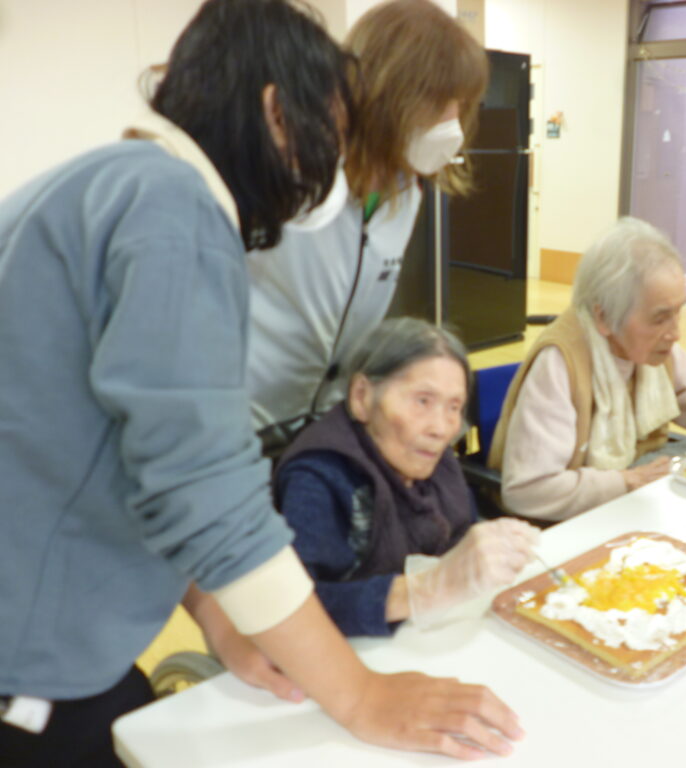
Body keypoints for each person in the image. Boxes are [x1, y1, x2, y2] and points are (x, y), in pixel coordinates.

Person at [0, 2, 521, 765]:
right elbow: (200, 485)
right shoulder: (174, 210)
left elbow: (145, 456)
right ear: (279, 113)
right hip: (32, 645)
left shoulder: (110, 184)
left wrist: (217, 612)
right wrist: (360, 695)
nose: (331, 166)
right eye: (330, 134)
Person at [247, 0, 488, 454]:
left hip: (325, 424)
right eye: (439, 101)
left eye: (460, 103)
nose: (452, 120)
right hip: (243, 423)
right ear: (388, 92)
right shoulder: (289, 176)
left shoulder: (407, 193)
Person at [488, 217, 686, 522]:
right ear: (604, 318)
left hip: (622, 508)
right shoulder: (560, 365)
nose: (675, 333)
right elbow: (528, 490)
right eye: (660, 318)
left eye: (678, 312)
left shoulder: (658, 352)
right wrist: (627, 482)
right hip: (561, 526)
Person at [274, 318, 540, 635]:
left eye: (454, 407)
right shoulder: (319, 477)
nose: (441, 428)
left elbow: (461, 533)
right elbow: (293, 611)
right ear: (361, 396)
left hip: (430, 634)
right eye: (422, 401)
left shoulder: (431, 455)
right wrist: (425, 589)